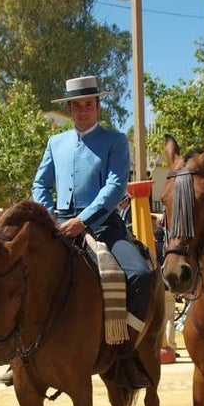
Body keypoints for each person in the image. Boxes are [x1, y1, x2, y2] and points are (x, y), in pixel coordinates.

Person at [31, 75, 154, 389]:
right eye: (76, 105)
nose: (82, 110)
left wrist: (82, 220)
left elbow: (114, 187)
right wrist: (50, 217)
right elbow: (39, 185)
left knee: (139, 274)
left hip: (103, 227)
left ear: (98, 106)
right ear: (70, 109)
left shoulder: (115, 141)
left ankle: (125, 355)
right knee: (19, 273)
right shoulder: (54, 143)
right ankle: (21, 352)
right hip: (58, 226)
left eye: (88, 104)